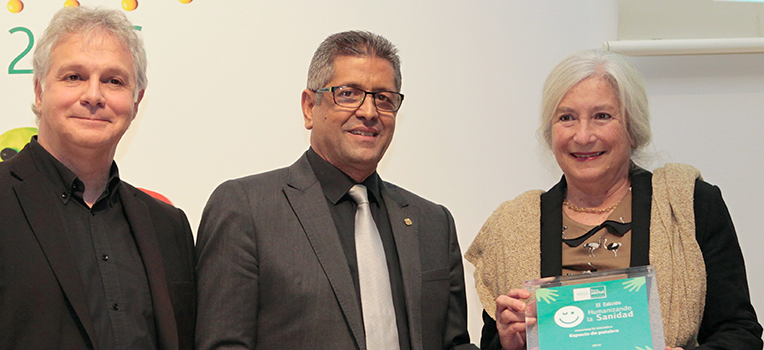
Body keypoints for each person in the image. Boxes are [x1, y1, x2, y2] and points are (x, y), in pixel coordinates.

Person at [0, 7, 195, 350]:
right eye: (74, 77)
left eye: (114, 81)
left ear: (136, 99)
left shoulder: (168, 226)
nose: (94, 95)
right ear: (40, 91)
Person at [195, 30, 476, 350]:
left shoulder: (433, 222)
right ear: (309, 107)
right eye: (348, 93)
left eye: (383, 98)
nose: (369, 112)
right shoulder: (246, 207)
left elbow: (454, 344)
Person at [465, 49, 762, 350]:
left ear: (632, 128)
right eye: (566, 118)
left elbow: (740, 333)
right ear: (550, 132)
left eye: (602, 116)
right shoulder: (513, 226)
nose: (583, 136)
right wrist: (508, 342)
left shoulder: (689, 204)